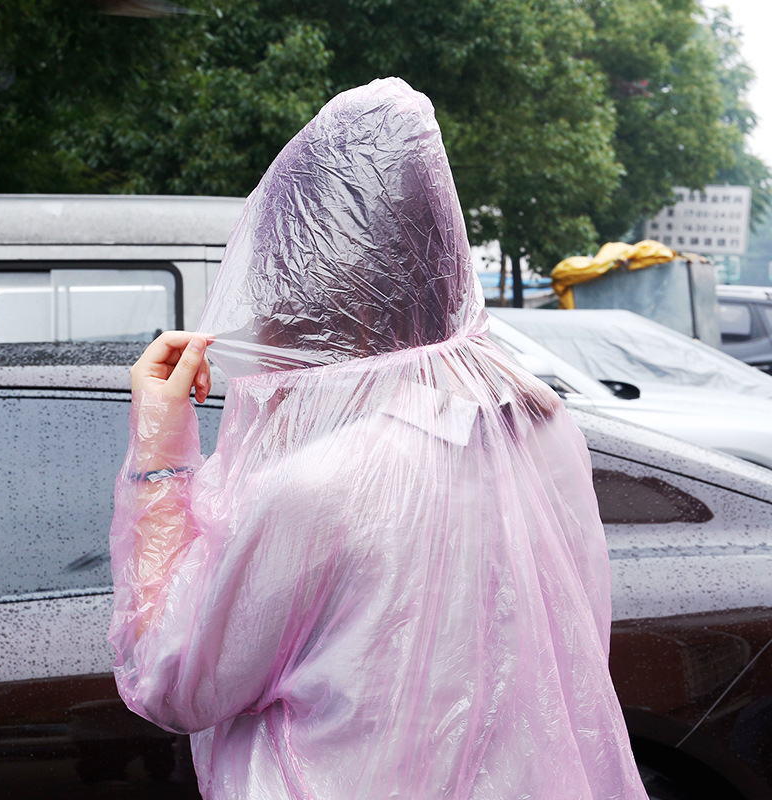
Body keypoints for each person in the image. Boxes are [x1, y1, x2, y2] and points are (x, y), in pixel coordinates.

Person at [110, 78, 648, 799]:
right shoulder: (538, 424)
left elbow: (171, 681)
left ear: (296, 285)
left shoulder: (319, 487)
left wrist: (159, 454)